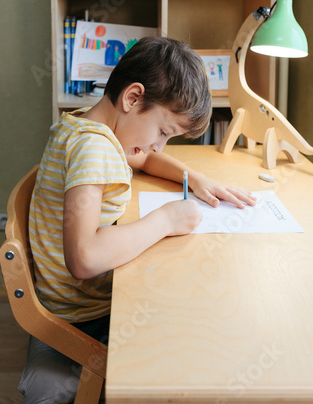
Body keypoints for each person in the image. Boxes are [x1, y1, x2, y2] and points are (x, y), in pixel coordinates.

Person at [19, 37, 256, 403]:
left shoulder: (91, 127)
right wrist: (164, 220)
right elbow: (83, 258)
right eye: (163, 132)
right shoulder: (93, 149)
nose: (159, 146)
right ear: (133, 98)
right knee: (195, 333)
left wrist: (196, 179)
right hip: (82, 315)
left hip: (75, 300)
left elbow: (142, 157)